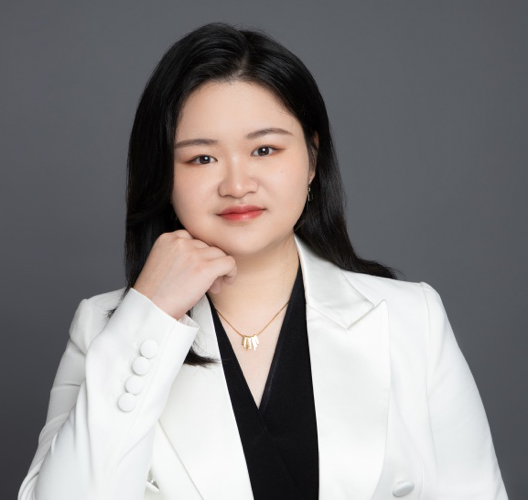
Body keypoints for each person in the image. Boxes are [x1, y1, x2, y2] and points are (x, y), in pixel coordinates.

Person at [18, 21, 508, 500]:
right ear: (164, 176)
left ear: (312, 159)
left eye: (265, 149)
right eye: (202, 158)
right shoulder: (106, 328)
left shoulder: (412, 320)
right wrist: (149, 315)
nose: (237, 185)